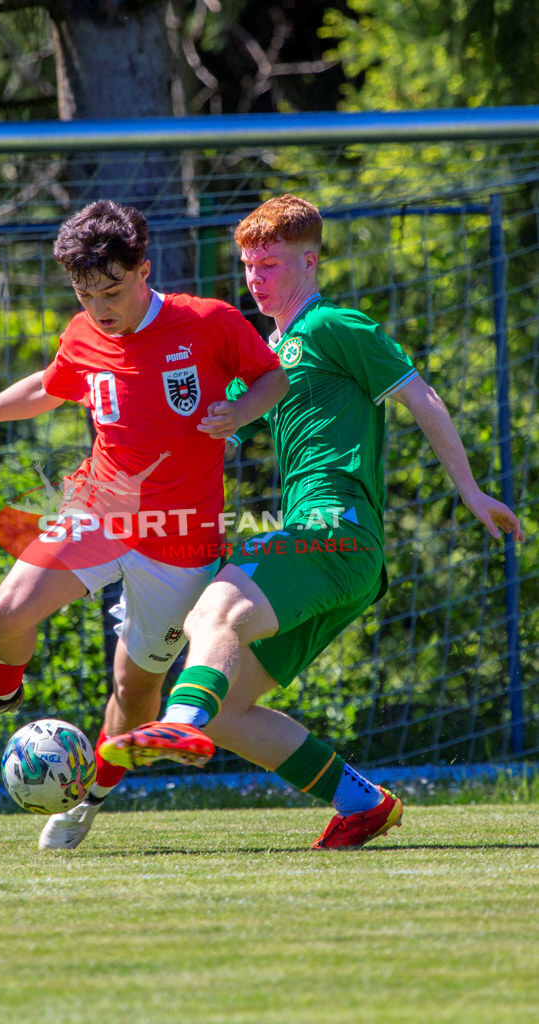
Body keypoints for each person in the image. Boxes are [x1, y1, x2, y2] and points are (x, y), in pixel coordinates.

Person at [101, 193, 526, 850]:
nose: (254, 279)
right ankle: (360, 801)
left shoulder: (332, 325)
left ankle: (178, 722)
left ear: (310, 259)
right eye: (247, 265)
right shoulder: (269, 357)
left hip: (337, 532)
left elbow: (421, 395)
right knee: (228, 707)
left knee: (213, 612)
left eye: (269, 264)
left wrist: (469, 490)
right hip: (333, 556)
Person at [0, 199, 289, 850]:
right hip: (99, 509)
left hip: (181, 539)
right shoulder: (83, 333)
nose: (98, 307)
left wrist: (240, 414)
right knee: (7, 612)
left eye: (110, 291)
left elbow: (271, 378)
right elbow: (49, 385)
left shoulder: (208, 323)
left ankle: (90, 800)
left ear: (144, 270)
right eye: (84, 293)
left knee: (134, 685)